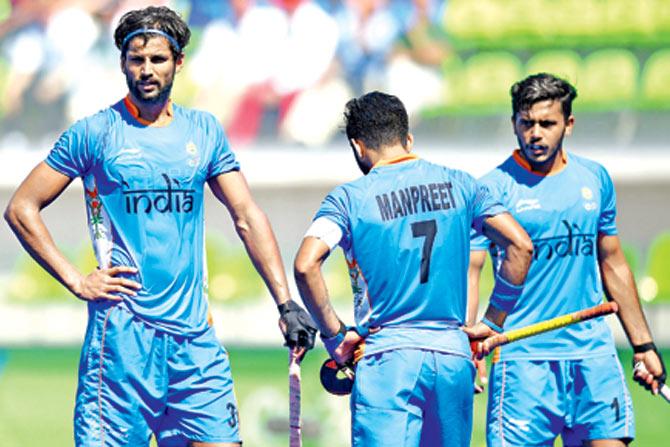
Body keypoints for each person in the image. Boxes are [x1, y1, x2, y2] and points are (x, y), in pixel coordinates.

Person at [3, 6, 316, 447]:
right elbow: (21, 207)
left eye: (157, 60)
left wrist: (286, 303)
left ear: (178, 63)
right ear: (123, 64)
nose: (147, 70)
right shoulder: (95, 133)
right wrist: (76, 280)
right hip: (121, 341)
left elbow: (246, 215)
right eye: (137, 60)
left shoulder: (204, 130)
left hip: (195, 339)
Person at [293, 91, 533, 447]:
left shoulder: (347, 199)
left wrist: (334, 335)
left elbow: (305, 264)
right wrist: (492, 321)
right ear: (408, 139)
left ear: (358, 146)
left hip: (389, 361)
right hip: (453, 359)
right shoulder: (464, 184)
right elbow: (521, 245)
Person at [468, 72, 666, 447]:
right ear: (513, 123)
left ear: (568, 125)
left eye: (547, 123)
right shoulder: (491, 189)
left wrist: (643, 345)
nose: (535, 134)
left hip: (593, 355)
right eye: (526, 124)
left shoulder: (595, 179)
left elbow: (613, 262)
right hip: (523, 360)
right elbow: (471, 271)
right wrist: (469, 346)